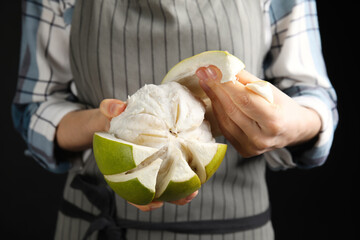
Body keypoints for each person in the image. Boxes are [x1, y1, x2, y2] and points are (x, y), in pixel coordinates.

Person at [12, 0, 338, 239]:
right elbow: (35, 106)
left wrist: (288, 124)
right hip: (94, 225)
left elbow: (311, 94)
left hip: (235, 230)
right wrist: (103, 122)